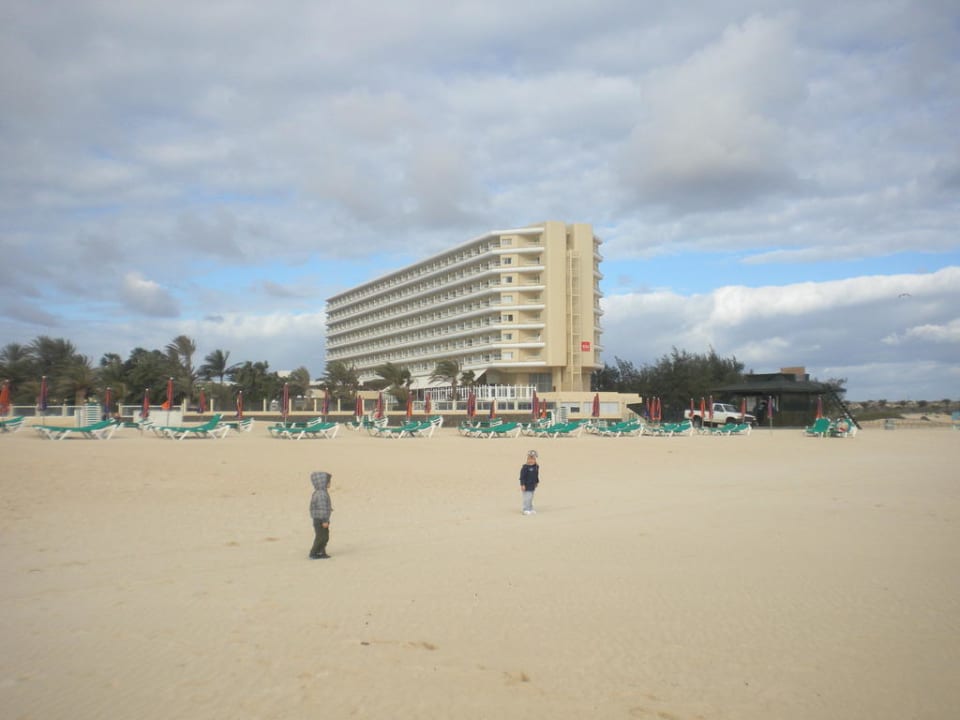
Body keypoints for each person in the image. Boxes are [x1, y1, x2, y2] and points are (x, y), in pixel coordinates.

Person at [309, 471, 333, 559]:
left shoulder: (320, 492)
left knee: (324, 536)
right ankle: (314, 552)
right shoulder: (321, 494)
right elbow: (322, 508)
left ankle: (321, 551)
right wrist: (325, 520)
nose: (330, 483)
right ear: (323, 483)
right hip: (321, 520)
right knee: (321, 537)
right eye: (328, 481)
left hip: (320, 518)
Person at [519, 450, 540, 515]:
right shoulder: (525, 467)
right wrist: (522, 485)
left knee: (531, 498)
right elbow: (522, 477)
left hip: (532, 485)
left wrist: (536, 482)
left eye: (533, 459)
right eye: (529, 459)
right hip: (526, 486)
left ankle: (530, 508)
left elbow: (536, 475)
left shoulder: (536, 467)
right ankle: (525, 509)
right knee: (527, 498)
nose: (531, 460)